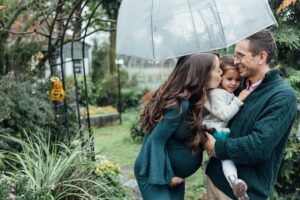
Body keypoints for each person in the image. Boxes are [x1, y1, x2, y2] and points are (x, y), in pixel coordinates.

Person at [204, 29, 298, 200]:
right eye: (235, 55)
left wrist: (217, 148)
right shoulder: (237, 85)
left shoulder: (282, 96)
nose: (235, 61)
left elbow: (258, 146)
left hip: (243, 193)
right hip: (214, 180)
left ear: (261, 57)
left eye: (240, 56)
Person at [134, 53, 223, 200]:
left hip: (174, 174)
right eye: (217, 68)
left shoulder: (197, 99)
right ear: (203, 73)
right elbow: (155, 140)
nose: (221, 72)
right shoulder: (180, 105)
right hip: (155, 173)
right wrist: (167, 177)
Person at [203, 56, 250, 200]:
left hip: (220, 131)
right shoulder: (215, 93)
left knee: (226, 158)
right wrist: (239, 99)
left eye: (237, 80)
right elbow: (224, 115)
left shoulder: (225, 92)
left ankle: (234, 182)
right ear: (220, 76)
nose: (234, 83)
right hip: (216, 131)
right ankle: (233, 181)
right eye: (229, 79)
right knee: (226, 157)